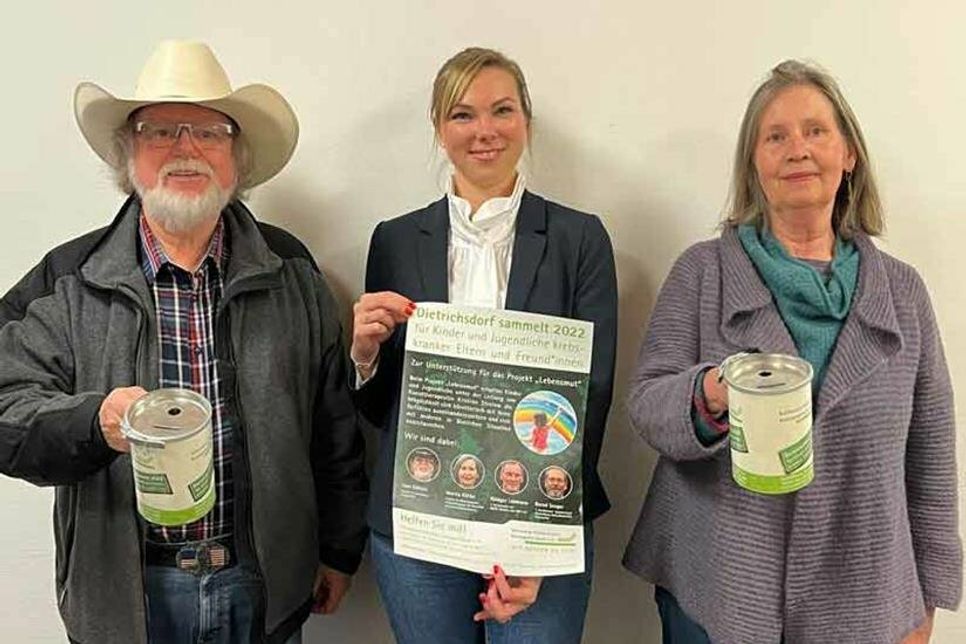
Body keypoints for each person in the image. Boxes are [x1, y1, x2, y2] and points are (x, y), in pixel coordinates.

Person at [0, 41, 368, 644]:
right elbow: (5, 410)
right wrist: (96, 423)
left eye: (209, 133)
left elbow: (332, 424)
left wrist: (338, 548)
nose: (186, 149)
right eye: (161, 131)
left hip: (262, 586)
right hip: (127, 595)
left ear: (237, 158)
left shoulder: (291, 269)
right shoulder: (67, 278)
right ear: (129, 154)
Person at [622, 60, 961, 644]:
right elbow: (647, 402)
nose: (796, 149)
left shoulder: (902, 292)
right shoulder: (701, 273)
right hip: (718, 590)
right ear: (754, 163)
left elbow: (930, 459)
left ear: (849, 153)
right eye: (775, 137)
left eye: (816, 131)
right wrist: (709, 393)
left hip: (865, 602)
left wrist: (926, 603)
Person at [351, 47, 617, 643]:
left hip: (540, 519)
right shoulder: (394, 240)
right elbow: (384, 412)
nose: (485, 131)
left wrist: (537, 539)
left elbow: (592, 393)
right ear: (439, 129)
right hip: (419, 522)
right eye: (463, 115)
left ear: (526, 120)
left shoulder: (580, 238)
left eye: (502, 110)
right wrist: (364, 359)